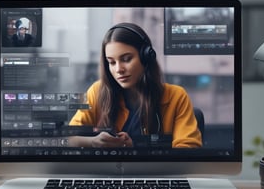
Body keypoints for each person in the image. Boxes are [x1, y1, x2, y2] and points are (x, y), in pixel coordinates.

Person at [68, 22, 202, 148]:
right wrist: (93, 142)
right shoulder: (97, 92)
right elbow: (67, 138)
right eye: (112, 62)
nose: (118, 69)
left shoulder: (176, 96)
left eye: (126, 59)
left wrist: (137, 148)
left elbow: (188, 149)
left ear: (146, 57)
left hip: (156, 173)